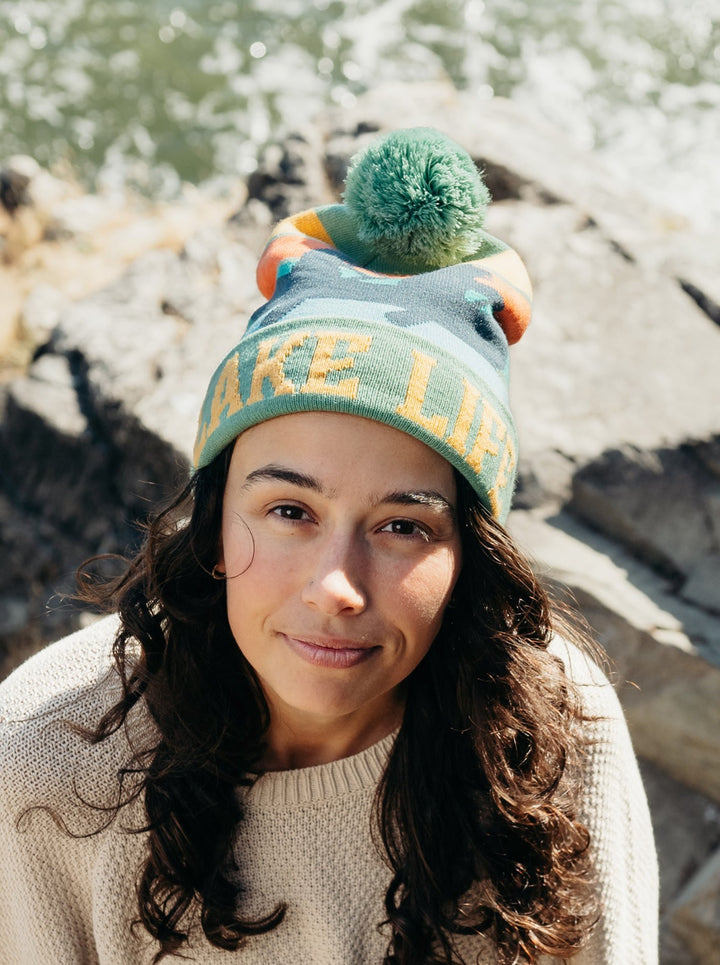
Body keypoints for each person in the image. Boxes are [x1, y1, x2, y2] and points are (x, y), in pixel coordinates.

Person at [0, 128, 658, 965]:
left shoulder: (553, 736)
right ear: (209, 524)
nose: (335, 587)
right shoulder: (41, 756)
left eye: (403, 525)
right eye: (289, 511)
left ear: (469, 561)